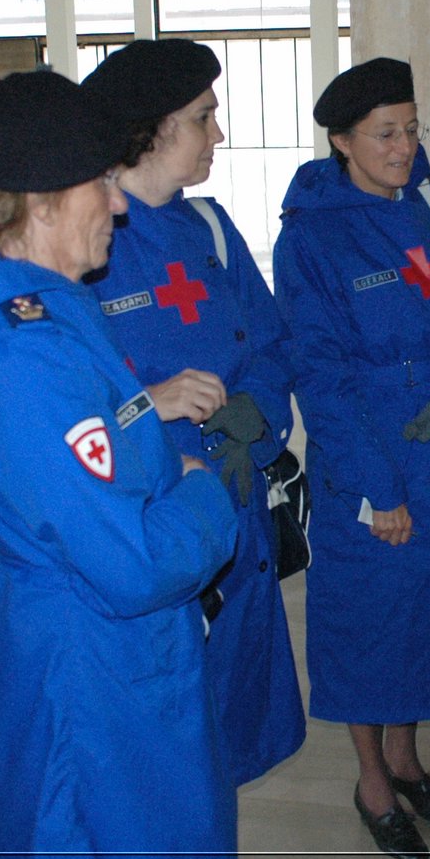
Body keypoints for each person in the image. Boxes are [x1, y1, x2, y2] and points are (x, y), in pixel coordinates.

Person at [0, 71, 238, 859]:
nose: (119, 208)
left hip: (107, 642)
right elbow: (130, 564)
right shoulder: (21, 356)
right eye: (101, 186)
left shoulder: (54, 311)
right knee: (100, 857)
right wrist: (203, 493)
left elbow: (104, 449)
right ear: (41, 202)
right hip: (88, 656)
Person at [272, 57, 430, 859]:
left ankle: (407, 758)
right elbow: (319, 373)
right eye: (385, 133)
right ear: (341, 142)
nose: (404, 146)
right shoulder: (311, 236)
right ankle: (371, 778)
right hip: (367, 453)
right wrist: (377, 488)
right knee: (368, 623)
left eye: (412, 128)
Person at [81, 39, 306, 787]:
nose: (220, 134)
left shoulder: (209, 228)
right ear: (152, 130)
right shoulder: (89, 245)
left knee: (227, 741)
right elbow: (69, 415)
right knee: (162, 753)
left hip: (237, 516)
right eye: (204, 118)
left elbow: (273, 344)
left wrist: (257, 418)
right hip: (153, 529)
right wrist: (150, 406)